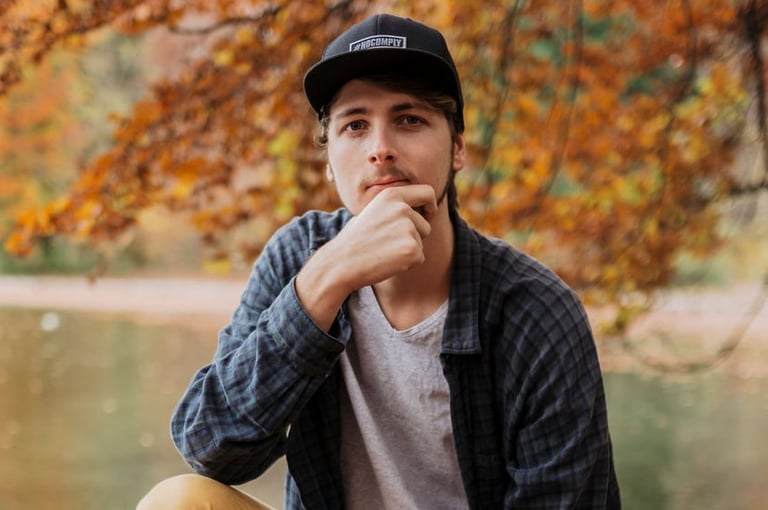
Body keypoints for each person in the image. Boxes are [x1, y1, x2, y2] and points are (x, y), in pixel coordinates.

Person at [138, 13, 621, 510]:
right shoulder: (299, 259)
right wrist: (327, 281)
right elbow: (212, 449)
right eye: (355, 125)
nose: (381, 150)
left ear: (456, 149)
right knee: (178, 501)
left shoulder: (537, 311)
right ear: (329, 163)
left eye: (409, 120)